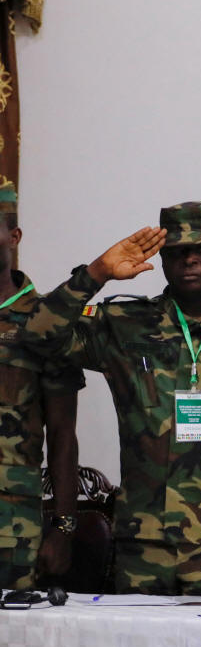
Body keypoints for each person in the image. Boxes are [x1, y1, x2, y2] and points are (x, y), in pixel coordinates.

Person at [22, 202, 201, 596]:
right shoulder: (125, 325)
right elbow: (37, 334)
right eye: (176, 252)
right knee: (139, 637)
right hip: (142, 544)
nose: (189, 260)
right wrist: (97, 272)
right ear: (161, 259)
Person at [0, 183, 82, 591]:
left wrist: (64, 527)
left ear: (14, 236)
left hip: (11, 525)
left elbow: (63, 434)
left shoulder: (45, 321)